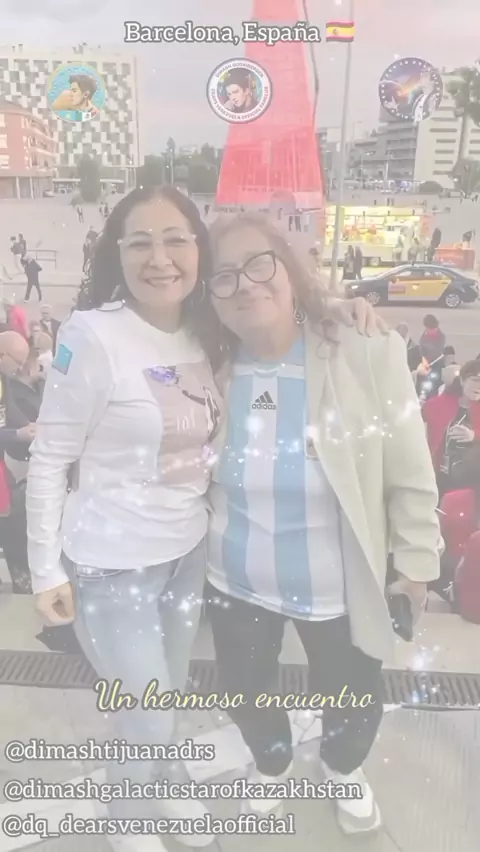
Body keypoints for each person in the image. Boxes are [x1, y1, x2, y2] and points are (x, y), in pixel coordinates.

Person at [27, 185, 385, 851]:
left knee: (165, 696)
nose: (159, 257)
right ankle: (129, 819)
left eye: (175, 239)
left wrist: (338, 308)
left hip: (188, 553)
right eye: (140, 242)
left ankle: (164, 781)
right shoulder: (92, 336)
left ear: (198, 249)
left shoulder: (204, 330)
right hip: (111, 565)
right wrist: (46, 566)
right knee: (146, 711)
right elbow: (49, 456)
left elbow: (280, 317)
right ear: (117, 252)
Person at [205, 212, 440, 836]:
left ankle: (342, 766)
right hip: (235, 581)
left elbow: (410, 468)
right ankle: (272, 763)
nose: (245, 284)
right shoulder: (209, 364)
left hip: (338, 588)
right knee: (246, 691)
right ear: (210, 296)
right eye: (224, 276)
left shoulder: (363, 349)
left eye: (260, 264)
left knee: (354, 700)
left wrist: (417, 564)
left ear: (289, 268)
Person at [0, 332, 38, 593]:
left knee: (13, 514)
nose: (20, 369)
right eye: (18, 362)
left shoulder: (4, 378)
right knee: (11, 515)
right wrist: (18, 434)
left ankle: (22, 577)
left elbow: (9, 410)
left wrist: (30, 426)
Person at [423, 359, 480, 497]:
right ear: (462, 380)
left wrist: (474, 435)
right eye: (475, 380)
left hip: (473, 480)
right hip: (439, 475)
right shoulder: (438, 405)